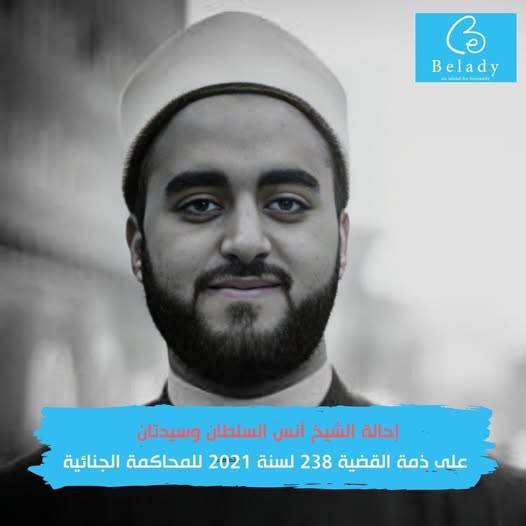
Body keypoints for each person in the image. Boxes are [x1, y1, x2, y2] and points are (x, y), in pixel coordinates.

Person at [1, 11, 525, 526]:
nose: (246, 241)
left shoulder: (491, 511)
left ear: (342, 241)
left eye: (287, 203)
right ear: (137, 246)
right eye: (201, 205)